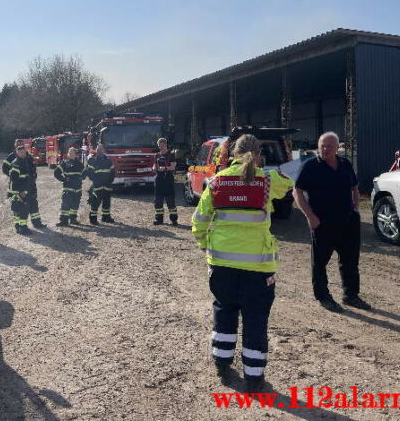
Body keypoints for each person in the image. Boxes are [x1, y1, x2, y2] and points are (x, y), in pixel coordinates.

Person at [192, 134, 293, 391]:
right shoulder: (268, 181)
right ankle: (254, 377)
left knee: (224, 312)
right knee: (255, 319)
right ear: (259, 154)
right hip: (258, 269)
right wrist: (263, 168)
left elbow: (199, 222)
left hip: (221, 265)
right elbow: (289, 182)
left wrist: (206, 246)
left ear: (232, 155)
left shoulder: (215, 182)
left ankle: (222, 363)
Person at [292, 131, 371, 313]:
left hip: (348, 221)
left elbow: (354, 187)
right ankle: (323, 296)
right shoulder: (310, 166)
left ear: (337, 147)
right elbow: (297, 192)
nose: (325, 149)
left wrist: (356, 209)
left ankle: (350, 295)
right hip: (322, 223)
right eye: (322, 146)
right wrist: (310, 216)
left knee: (350, 260)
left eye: (329, 146)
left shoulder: (345, 164)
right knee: (320, 262)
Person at [8, 144, 46, 234]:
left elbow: (32, 177)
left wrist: (34, 190)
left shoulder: (28, 161)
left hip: (29, 188)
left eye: (23, 151)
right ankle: (22, 228)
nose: (22, 153)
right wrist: (20, 191)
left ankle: (37, 223)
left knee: (34, 206)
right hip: (21, 191)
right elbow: (14, 180)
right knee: (22, 209)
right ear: (17, 153)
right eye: (20, 152)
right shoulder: (16, 163)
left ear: (25, 152)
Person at [85, 144, 115, 225]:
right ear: (96, 151)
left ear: (103, 150)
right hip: (97, 186)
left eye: (101, 149)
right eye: (98, 149)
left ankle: (106, 217)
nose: (99, 151)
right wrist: (96, 180)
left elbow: (112, 172)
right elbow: (90, 173)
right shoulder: (94, 160)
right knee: (95, 203)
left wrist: (109, 182)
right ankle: (93, 219)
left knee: (106, 203)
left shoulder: (108, 160)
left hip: (107, 186)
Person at [54, 147, 84, 226]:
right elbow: (56, 173)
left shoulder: (80, 163)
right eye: (69, 153)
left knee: (75, 205)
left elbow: (84, 173)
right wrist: (63, 179)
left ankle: (73, 219)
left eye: (72, 153)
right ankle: (63, 221)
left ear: (76, 154)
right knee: (65, 205)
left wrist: (81, 178)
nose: (71, 154)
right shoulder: (64, 163)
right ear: (68, 154)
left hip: (77, 189)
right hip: (68, 189)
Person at [152, 137, 178, 225]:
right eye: (159, 146)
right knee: (158, 200)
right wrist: (154, 168)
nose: (160, 148)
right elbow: (154, 165)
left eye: (162, 146)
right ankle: (159, 219)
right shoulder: (157, 155)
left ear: (165, 145)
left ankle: (173, 219)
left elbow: (173, 166)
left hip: (168, 179)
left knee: (170, 200)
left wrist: (166, 168)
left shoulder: (171, 155)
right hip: (159, 179)